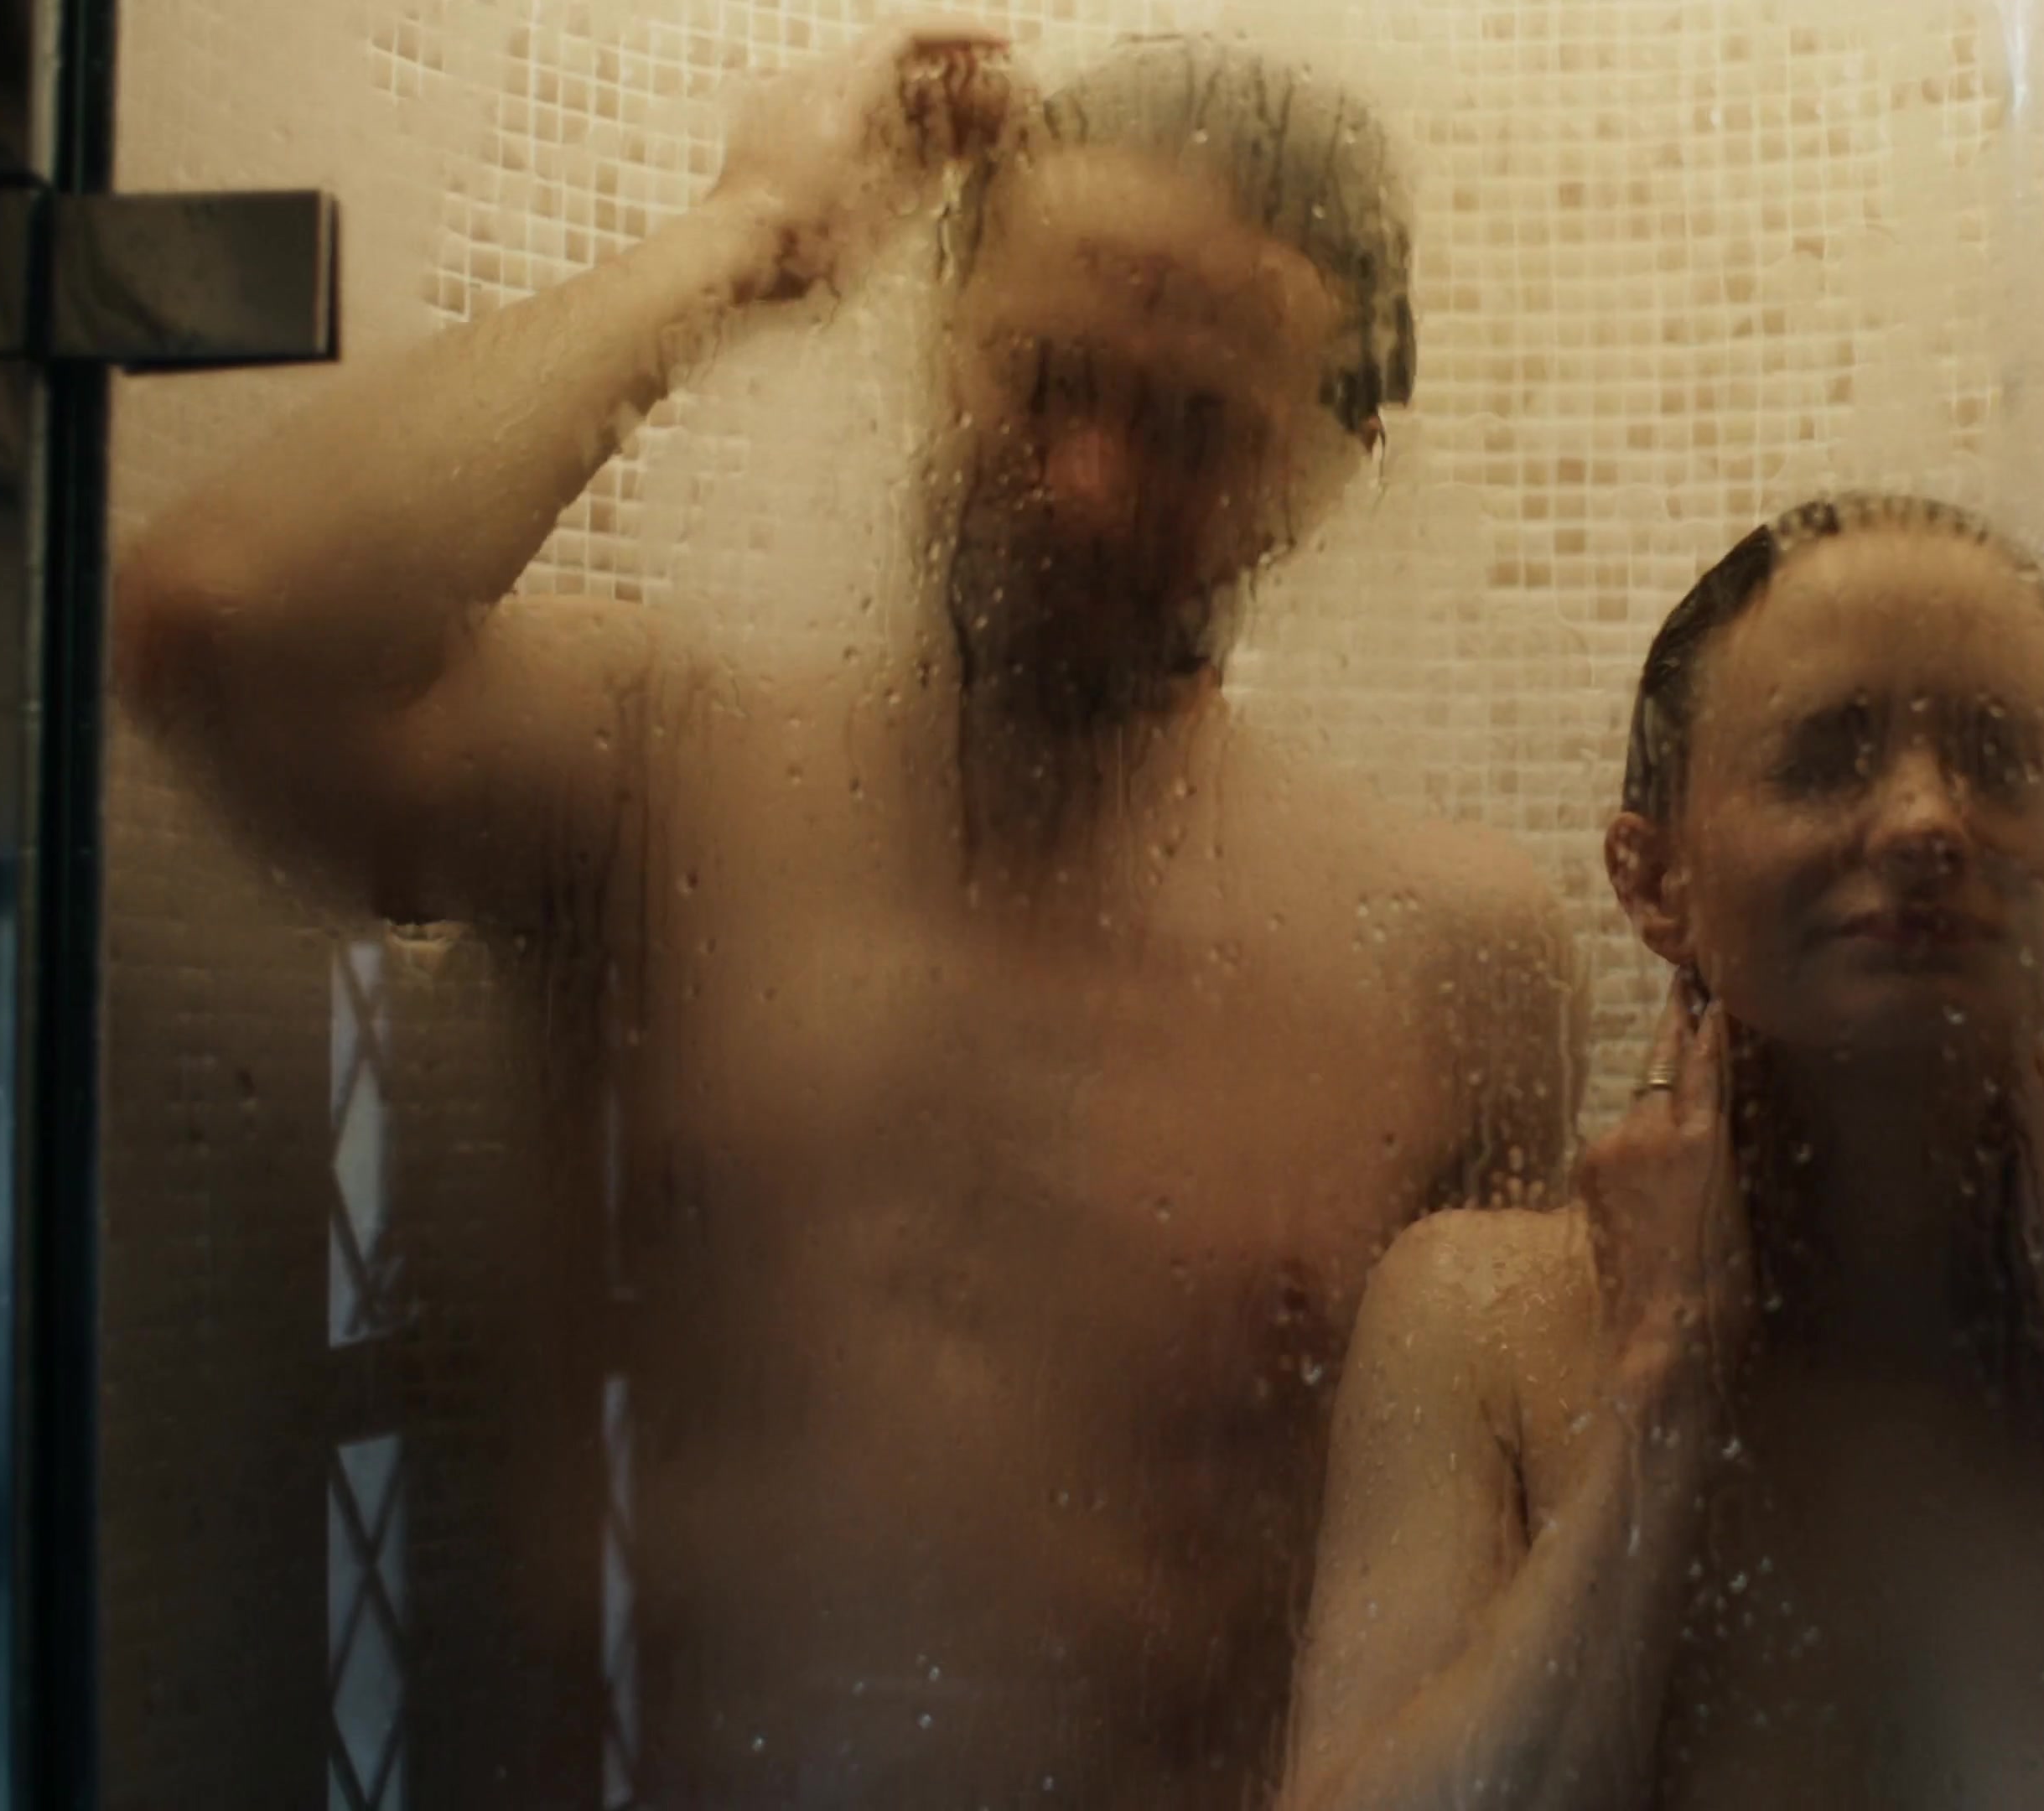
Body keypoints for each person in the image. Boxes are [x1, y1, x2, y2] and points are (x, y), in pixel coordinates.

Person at [114, 24, 1575, 1808]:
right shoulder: (655, 773)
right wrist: (750, 237)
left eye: (1194, 427)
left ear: (1330, 463)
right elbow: (224, 622)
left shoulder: (1453, 958)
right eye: (1042, 379)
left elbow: (1459, 1609)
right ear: (944, 338)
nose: (1087, 482)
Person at [1279, 495, 2044, 1808]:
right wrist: (1661, 1398)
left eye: (2000, 758)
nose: (1930, 822)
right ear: (1653, 882)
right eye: (1827, 758)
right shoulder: (1481, 1318)